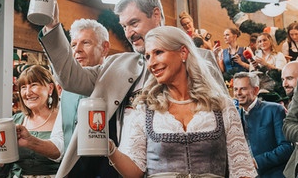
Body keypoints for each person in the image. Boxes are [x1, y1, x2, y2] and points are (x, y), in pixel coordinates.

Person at [38, 0, 226, 177]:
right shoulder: (116, 65)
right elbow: (71, 78)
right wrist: (52, 26)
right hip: (125, 169)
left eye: (134, 23)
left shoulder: (202, 59)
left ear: (156, 15)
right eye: (124, 26)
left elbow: (227, 122)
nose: (129, 33)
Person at [107, 26, 257, 177]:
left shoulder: (221, 105)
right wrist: (109, 148)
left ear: (183, 52)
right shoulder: (145, 108)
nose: (151, 63)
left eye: (158, 52)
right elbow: (135, 172)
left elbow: (242, 169)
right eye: (147, 56)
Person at [56, 18, 111, 177]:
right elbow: (59, 141)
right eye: (73, 45)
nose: (77, 50)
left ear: (104, 47)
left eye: (86, 43)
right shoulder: (66, 90)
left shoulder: (116, 82)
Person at [0, 65, 61, 177]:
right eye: (23, 87)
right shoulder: (16, 121)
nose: (28, 92)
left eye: (34, 85)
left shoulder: (63, 118)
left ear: (50, 88)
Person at [233, 72, 293, 177]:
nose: (238, 93)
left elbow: (286, 147)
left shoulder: (274, 110)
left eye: (243, 89)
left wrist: (257, 162)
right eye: (235, 89)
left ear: (256, 90)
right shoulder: (234, 116)